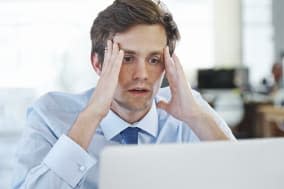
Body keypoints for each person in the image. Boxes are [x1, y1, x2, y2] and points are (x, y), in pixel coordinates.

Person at [12, 0, 236, 188]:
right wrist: (90, 118)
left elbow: (249, 180)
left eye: (154, 60)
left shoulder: (190, 111)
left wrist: (197, 119)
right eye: (127, 58)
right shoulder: (49, 114)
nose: (142, 74)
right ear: (97, 63)